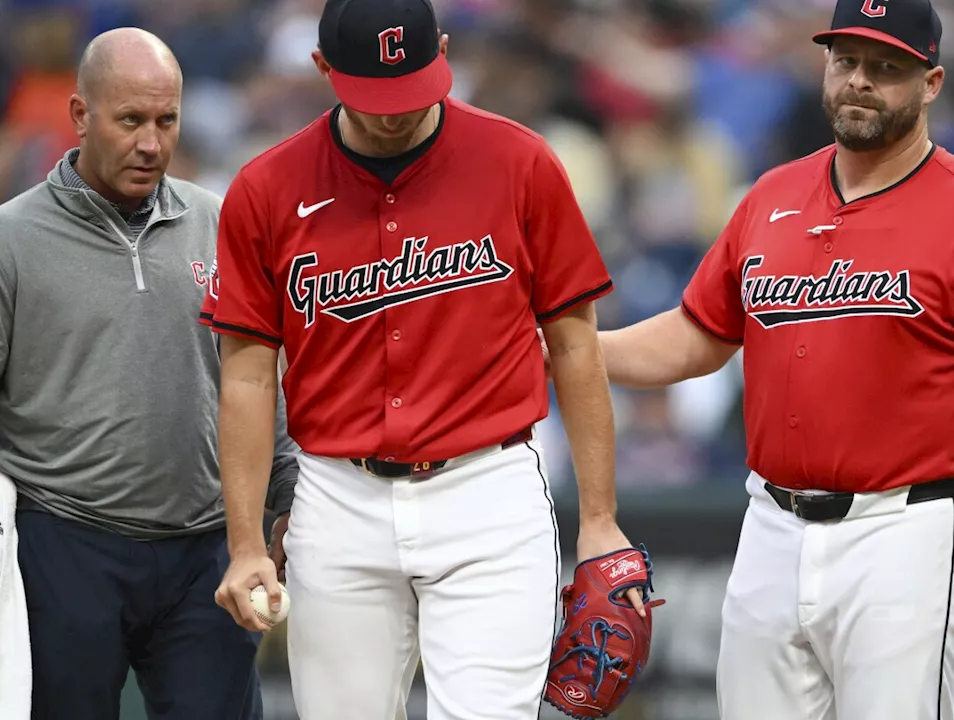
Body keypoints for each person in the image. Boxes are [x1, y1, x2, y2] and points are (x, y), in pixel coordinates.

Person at [593, 0, 954, 718]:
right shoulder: (773, 196)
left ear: (932, 82)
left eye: (886, 68)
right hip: (771, 525)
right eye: (846, 61)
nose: (859, 81)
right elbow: (697, 338)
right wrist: (565, 350)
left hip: (907, 530)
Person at [201, 1, 641, 718]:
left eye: (412, 86)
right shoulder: (267, 187)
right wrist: (247, 541)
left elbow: (572, 341)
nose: (396, 114)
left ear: (439, 50)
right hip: (337, 497)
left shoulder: (519, 161)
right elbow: (248, 376)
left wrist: (599, 517)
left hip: (487, 489)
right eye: (375, 96)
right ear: (324, 70)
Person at [0, 28, 300, 720]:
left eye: (166, 121)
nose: (151, 143)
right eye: (130, 120)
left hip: (206, 547)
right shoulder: (13, 240)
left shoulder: (218, 223)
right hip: (65, 543)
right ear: (80, 116)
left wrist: (285, 496)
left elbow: (259, 380)